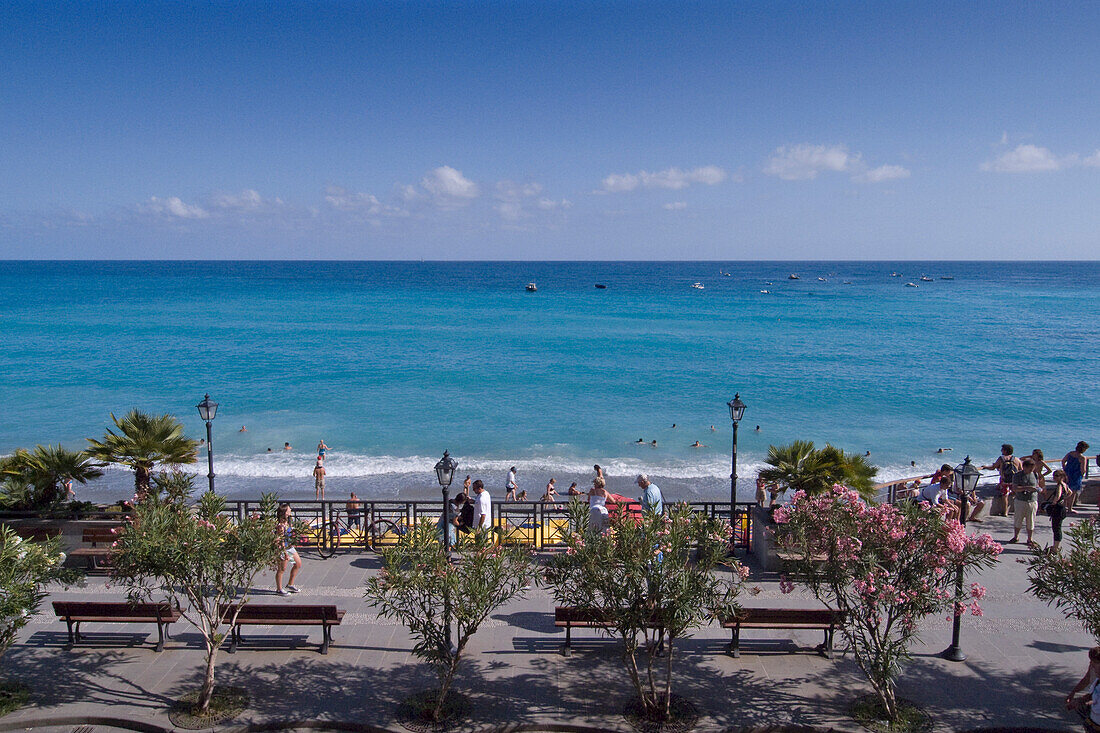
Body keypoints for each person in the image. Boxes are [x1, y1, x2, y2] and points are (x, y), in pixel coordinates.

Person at [1065, 647, 1100, 730]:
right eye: (1091, 661)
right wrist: (1078, 701)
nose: (1092, 665)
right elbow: (1092, 696)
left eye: (1095, 662)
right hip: (1092, 725)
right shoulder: (1097, 682)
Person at [983, 444, 1022, 516]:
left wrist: (985, 467)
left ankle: (1005, 512)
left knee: (1005, 496)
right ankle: (1019, 510)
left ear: (1005, 451)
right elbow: (1021, 470)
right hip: (1014, 481)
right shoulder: (1016, 459)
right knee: (1017, 494)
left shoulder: (1001, 458)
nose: (1001, 451)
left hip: (1004, 481)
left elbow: (993, 467)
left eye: (1002, 449)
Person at [1009, 457, 1040, 546]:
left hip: (1032, 500)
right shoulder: (1017, 475)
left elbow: (1037, 485)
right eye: (1030, 468)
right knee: (1018, 519)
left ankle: (1030, 539)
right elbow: (1015, 488)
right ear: (1024, 467)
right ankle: (1016, 536)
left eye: (1032, 468)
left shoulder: (1035, 475)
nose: (1031, 470)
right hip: (1020, 500)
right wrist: (1026, 488)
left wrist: (1038, 489)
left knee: (1031, 521)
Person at [275, 504, 302, 596]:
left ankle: (290, 584)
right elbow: (280, 539)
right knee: (282, 569)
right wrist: (284, 552)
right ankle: (279, 589)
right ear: (285, 512)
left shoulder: (289, 521)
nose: (290, 509)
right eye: (289, 509)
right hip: (283, 548)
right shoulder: (280, 525)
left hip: (290, 546)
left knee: (298, 564)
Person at [1043, 469, 1071, 552]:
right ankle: (1056, 546)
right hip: (1062, 508)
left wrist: (1054, 502)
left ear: (1062, 477)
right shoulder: (1065, 485)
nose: (1054, 477)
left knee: (1056, 528)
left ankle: (1055, 547)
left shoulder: (1060, 485)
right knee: (1057, 527)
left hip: (1058, 509)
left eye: (1057, 476)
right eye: (1054, 476)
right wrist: (1064, 498)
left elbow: (1058, 495)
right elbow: (1070, 492)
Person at [1063, 441, 1090, 514]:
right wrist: (1081, 475)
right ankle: (1069, 508)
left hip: (1067, 474)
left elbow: (1063, 461)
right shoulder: (1082, 457)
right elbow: (1083, 469)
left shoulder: (1070, 453)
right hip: (1076, 475)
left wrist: (1065, 469)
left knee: (1066, 491)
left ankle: (1064, 507)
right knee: (1073, 493)